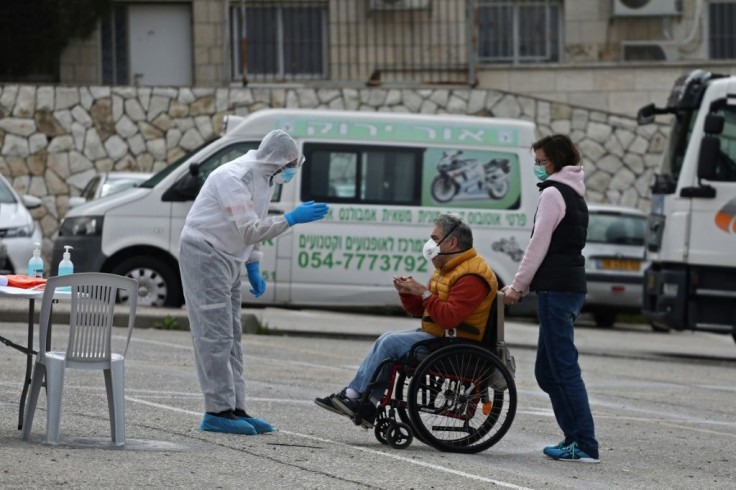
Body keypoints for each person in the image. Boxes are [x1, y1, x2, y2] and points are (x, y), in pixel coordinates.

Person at [179, 129, 329, 435]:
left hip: (230, 256)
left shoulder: (266, 178)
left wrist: (253, 264)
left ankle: (235, 409)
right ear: (276, 161)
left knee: (232, 335)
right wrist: (291, 219)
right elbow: (249, 230)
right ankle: (216, 411)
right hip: (205, 252)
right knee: (214, 335)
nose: (291, 171)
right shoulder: (234, 177)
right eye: (290, 165)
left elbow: (254, 223)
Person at [315, 214, 497, 429]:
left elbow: (449, 317)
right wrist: (408, 293)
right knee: (387, 338)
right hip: (439, 336)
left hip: (458, 346)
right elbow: (423, 311)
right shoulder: (448, 269)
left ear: (452, 242)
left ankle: (355, 395)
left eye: (434, 237)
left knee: (391, 343)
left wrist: (425, 293)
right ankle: (367, 402)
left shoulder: (472, 275)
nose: (430, 243)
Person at [501, 134, 599, 463]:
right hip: (567, 287)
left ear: (555, 161)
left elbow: (538, 243)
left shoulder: (555, 193)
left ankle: (584, 443)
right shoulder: (573, 192)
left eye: (541, 162)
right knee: (547, 370)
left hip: (557, 289)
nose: (537, 168)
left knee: (563, 368)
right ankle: (575, 437)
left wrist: (517, 286)